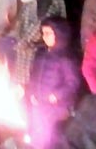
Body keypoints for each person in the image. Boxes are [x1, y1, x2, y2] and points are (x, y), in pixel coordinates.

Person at [27, 17, 81, 149]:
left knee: (48, 136)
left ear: (59, 33)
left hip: (56, 107)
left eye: (49, 33)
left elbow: (73, 82)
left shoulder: (66, 57)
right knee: (36, 132)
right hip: (39, 103)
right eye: (43, 33)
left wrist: (57, 95)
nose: (44, 37)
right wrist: (32, 93)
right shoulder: (41, 54)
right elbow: (34, 76)